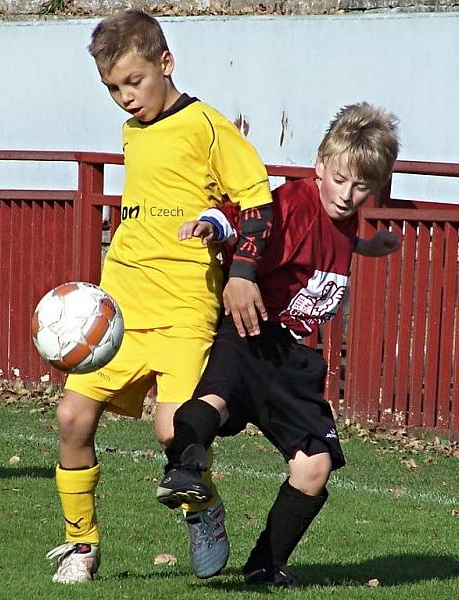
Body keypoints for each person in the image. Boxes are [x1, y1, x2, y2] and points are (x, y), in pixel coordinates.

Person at [47, 9, 274, 583]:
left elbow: (258, 203)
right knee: (72, 416)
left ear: (165, 64)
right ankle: (81, 545)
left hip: (184, 309)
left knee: (174, 430)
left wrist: (242, 271)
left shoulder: (207, 126)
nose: (124, 98)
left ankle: (203, 512)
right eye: (113, 88)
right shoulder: (134, 130)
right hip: (121, 306)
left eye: (134, 82)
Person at [158, 102, 402, 587]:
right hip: (252, 331)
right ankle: (184, 472)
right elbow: (253, 217)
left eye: (361, 187)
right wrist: (215, 225)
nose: (348, 195)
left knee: (315, 467)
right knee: (215, 403)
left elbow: (338, 238)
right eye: (340, 180)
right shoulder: (294, 201)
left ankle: (264, 565)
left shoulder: (344, 215)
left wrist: (369, 246)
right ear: (319, 165)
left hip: (295, 358)